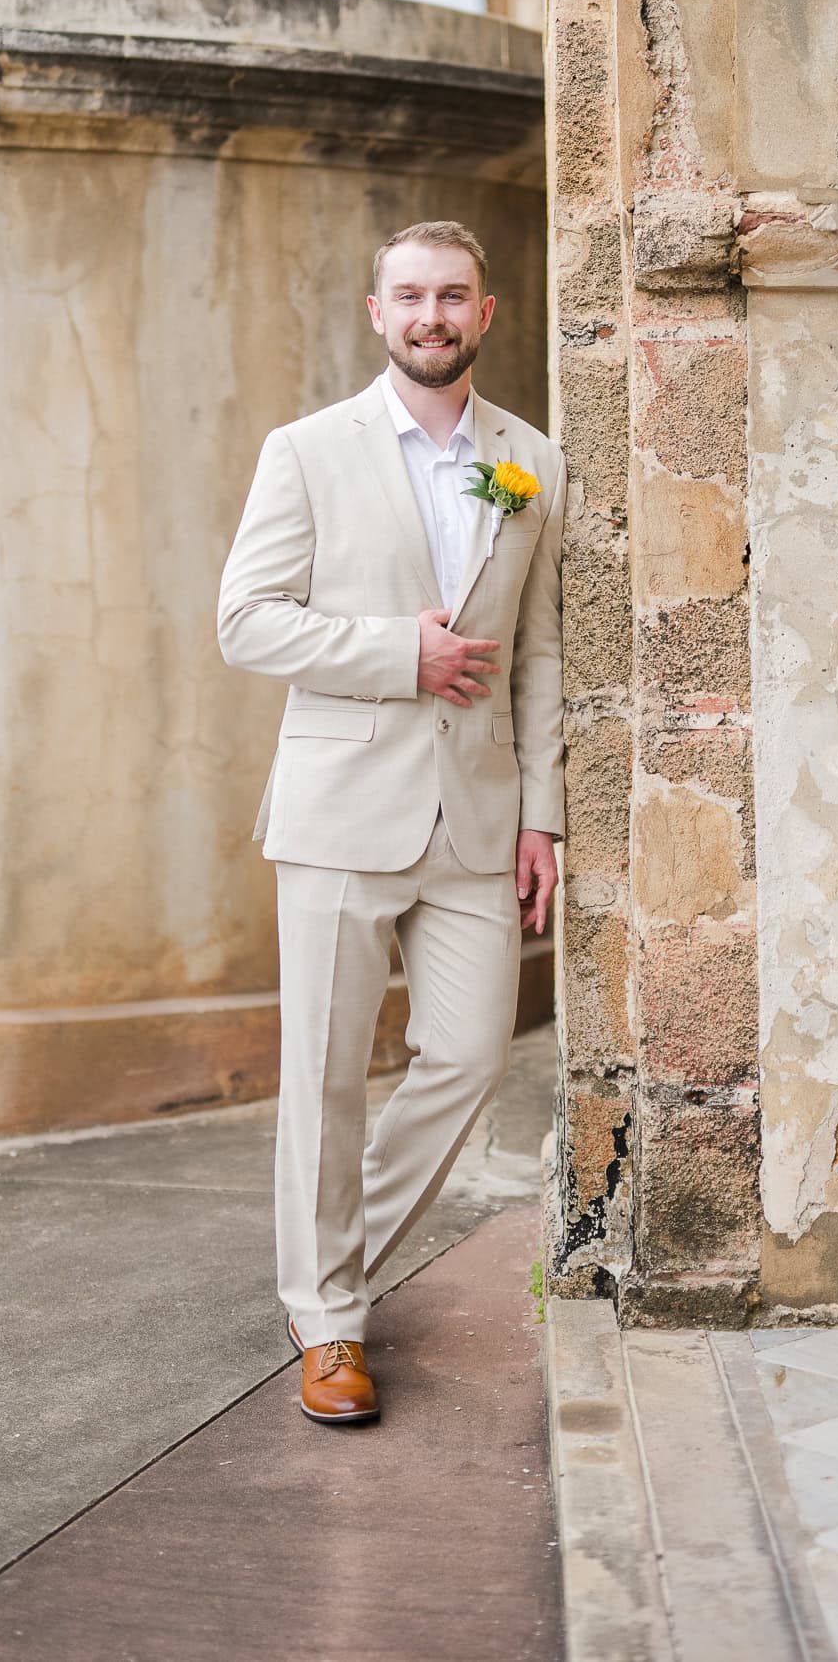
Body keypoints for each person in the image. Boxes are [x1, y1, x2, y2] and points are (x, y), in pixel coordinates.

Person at [217, 219, 565, 1424]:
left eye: (454, 296)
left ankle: (325, 1270)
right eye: (411, 296)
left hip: (476, 818)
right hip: (337, 811)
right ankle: (329, 1323)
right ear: (379, 314)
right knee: (323, 1078)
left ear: (487, 311)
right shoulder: (307, 452)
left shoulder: (534, 460)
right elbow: (246, 620)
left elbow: (539, 651)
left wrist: (546, 816)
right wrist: (393, 655)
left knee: (469, 1058)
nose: (433, 316)